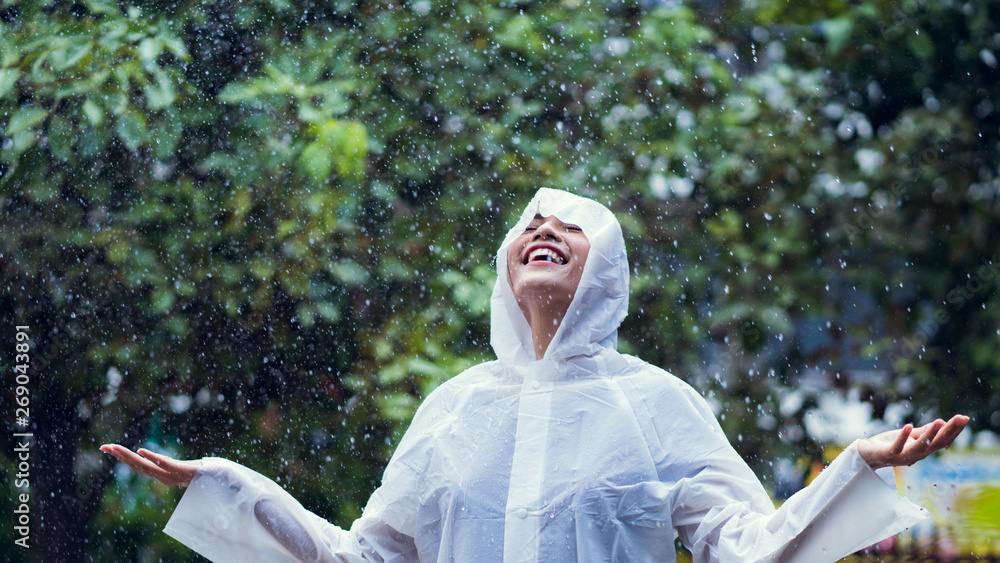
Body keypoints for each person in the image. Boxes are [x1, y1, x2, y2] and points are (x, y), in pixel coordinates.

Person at [102, 188, 968, 562]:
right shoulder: (454, 408)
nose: (542, 229)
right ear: (505, 266)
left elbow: (746, 547)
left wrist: (856, 465)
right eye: (529, 225)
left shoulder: (657, 403)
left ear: (609, 272)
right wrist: (226, 484)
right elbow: (363, 555)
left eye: (571, 226)